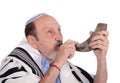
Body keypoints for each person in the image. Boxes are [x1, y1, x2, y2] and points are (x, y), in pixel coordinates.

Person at [0, 13, 109, 83]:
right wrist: (58, 63)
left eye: (59, 30)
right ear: (32, 41)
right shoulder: (14, 66)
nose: (59, 37)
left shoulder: (65, 66)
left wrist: (101, 59)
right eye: (50, 32)